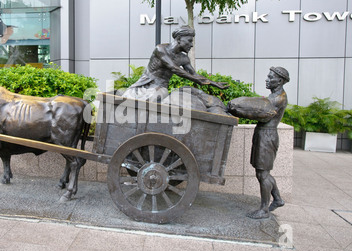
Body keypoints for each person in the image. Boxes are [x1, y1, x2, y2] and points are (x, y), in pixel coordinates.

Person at [228, 66, 289, 219]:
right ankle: (278, 199)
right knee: (263, 172)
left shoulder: (278, 98)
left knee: (263, 174)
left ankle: (264, 209)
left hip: (267, 136)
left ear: (280, 80)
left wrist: (236, 109)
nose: (267, 80)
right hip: (263, 134)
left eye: (270, 77)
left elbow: (261, 113)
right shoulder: (273, 96)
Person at [121, 26, 228, 102]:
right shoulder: (161, 49)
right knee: (125, 100)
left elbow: (194, 74)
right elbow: (174, 68)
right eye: (189, 41)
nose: (191, 45)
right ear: (179, 39)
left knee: (153, 98)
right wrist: (197, 80)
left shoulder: (184, 58)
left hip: (160, 88)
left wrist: (213, 83)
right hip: (144, 85)